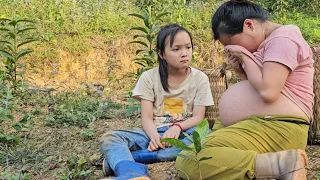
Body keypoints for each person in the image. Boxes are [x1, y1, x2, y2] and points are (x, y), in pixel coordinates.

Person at [176, 0, 314, 180]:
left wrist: (244, 57)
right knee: (200, 150)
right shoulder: (269, 42)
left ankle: (280, 165)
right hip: (264, 124)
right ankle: (270, 162)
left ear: (249, 25)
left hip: (279, 127)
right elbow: (257, 88)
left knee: (190, 159)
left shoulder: (283, 39)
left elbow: (268, 92)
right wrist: (242, 70)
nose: (233, 50)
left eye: (233, 44)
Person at [99, 23, 214, 180]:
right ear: (162, 54)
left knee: (207, 138)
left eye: (188, 47)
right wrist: (155, 137)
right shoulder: (148, 78)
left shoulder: (200, 78)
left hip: (185, 133)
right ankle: (131, 174)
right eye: (176, 49)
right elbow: (146, 117)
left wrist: (177, 127)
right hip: (153, 131)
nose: (184, 53)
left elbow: (198, 117)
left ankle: (133, 159)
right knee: (111, 137)